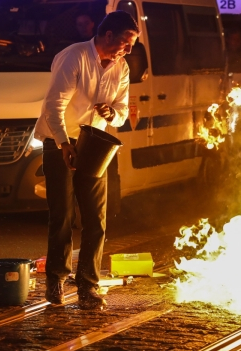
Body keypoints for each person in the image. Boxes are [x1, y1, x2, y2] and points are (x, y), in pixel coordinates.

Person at [33, 11, 139, 310]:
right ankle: (56, 279)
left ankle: (88, 286)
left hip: (95, 144)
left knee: (95, 219)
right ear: (108, 36)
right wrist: (64, 143)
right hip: (60, 140)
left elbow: (120, 111)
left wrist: (111, 114)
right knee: (62, 215)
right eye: (125, 42)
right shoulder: (74, 57)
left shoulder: (122, 67)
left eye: (131, 44)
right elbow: (54, 105)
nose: (128, 50)